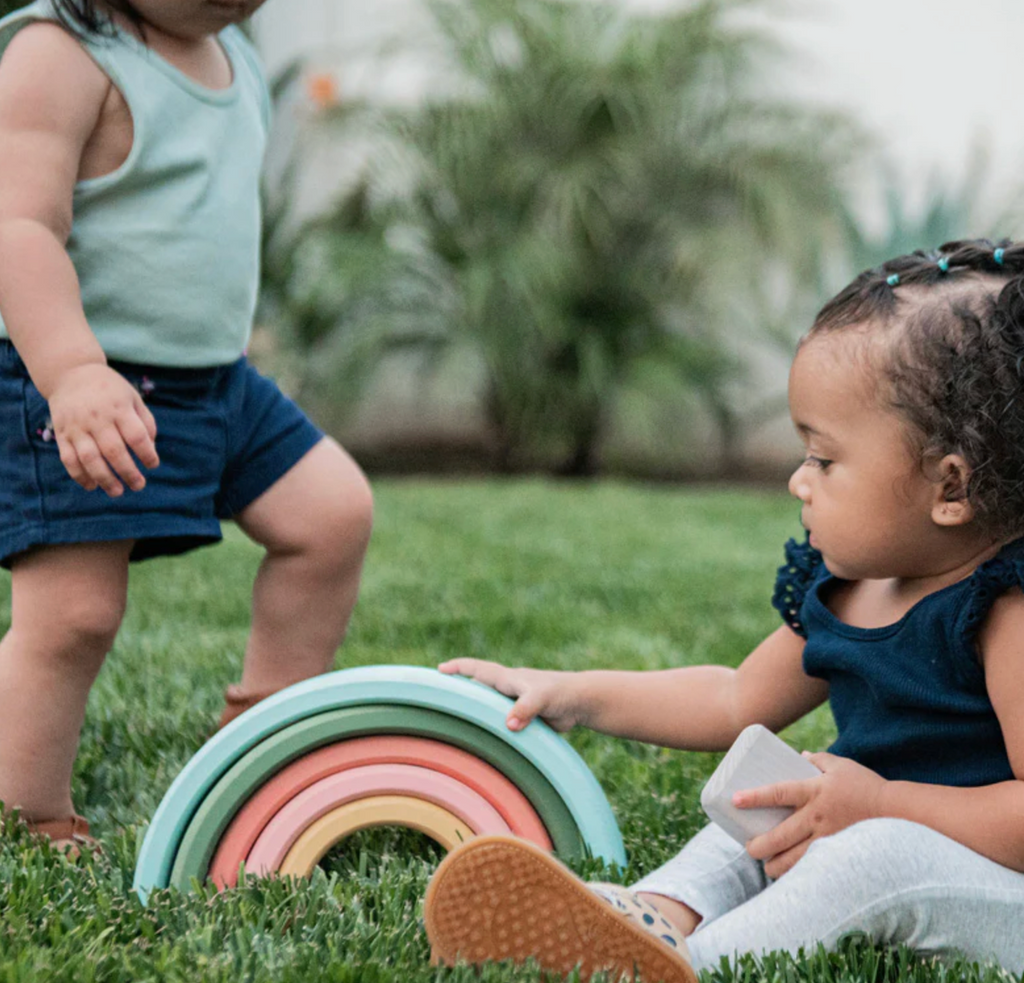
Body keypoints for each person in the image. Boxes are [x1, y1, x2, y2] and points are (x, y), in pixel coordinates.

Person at [424, 239, 1024, 983]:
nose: (797, 480)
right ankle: (649, 915)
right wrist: (573, 692)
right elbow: (733, 696)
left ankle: (694, 964)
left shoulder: (1006, 611)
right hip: (866, 826)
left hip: (1001, 889)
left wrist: (881, 803)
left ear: (951, 488)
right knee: (759, 797)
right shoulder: (852, 589)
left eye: (825, 459)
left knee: (873, 852)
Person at [0, 0, 373, 853]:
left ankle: (255, 746)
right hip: (85, 380)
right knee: (74, 614)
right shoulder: (62, 53)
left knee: (331, 516)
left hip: (215, 383)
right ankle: (27, 813)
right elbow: (16, 225)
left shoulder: (231, 56)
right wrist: (71, 371)